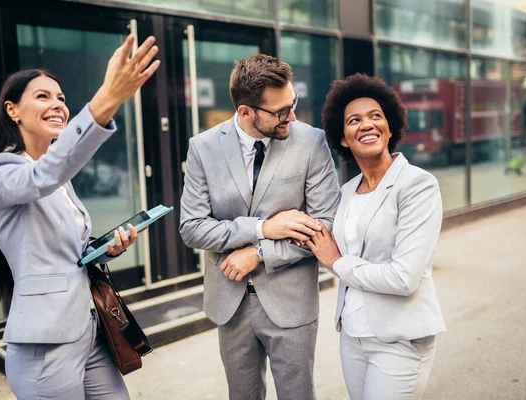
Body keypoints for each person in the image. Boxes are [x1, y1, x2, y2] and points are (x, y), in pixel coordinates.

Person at [0, 34, 160, 400]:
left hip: (90, 328)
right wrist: (107, 100)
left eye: (61, 98)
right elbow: (42, 178)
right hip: (45, 344)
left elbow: (71, 252)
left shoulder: (57, 177)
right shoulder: (1, 172)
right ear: (12, 110)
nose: (57, 104)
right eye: (43, 96)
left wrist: (107, 249)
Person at [179, 54, 340, 400]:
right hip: (229, 303)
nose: (292, 116)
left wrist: (259, 253)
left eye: (292, 103)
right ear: (245, 112)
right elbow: (192, 227)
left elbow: (324, 225)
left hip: (291, 303)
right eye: (281, 111)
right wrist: (263, 228)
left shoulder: (312, 142)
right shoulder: (202, 148)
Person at [306, 73, 447, 400]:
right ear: (343, 138)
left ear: (390, 127)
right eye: (354, 120)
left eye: (376, 116)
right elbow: (323, 244)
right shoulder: (345, 193)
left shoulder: (417, 185)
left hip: (400, 339)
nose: (366, 124)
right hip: (353, 336)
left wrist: (338, 263)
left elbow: (403, 278)